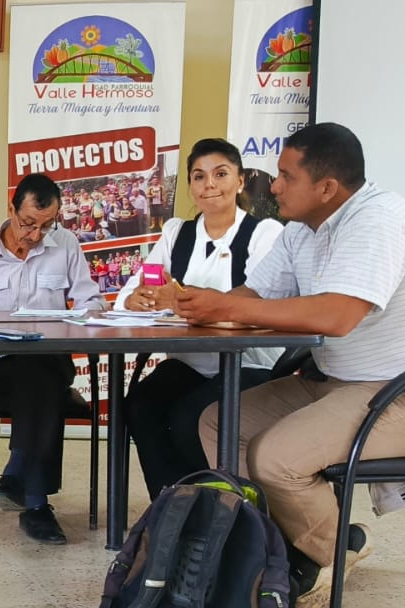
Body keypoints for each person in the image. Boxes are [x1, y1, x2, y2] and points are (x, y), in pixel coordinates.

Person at [177, 123, 405, 608]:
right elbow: (252, 298)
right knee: (220, 421)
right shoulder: (301, 230)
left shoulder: (378, 220)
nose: (273, 186)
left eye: (286, 176)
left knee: (275, 457)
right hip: (342, 382)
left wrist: (225, 307)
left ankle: (333, 550)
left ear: (326, 188)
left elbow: (337, 316)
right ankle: (270, 549)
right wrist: (186, 302)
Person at [116, 138, 285, 500]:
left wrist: (178, 299)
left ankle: (220, 506)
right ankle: (171, 506)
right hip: (191, 363)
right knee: (142, 405)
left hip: (249, 364)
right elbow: (133, 292)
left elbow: (257, 303)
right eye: (199, 176)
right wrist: (136, 298)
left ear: (240, 181)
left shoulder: (265, 233)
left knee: (189, 419)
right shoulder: (176, 233)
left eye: (220, 174)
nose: (209, 184)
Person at [0, 173, 107, 543]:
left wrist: (84, 316)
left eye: (46, 225)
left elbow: (92, 301)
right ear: (11, 209)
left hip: (49, 358)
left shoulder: (66, 245)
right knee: (39, 382)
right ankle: (35, 504)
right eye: (28, 223)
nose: (36, 235)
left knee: (40, 372)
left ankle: (17, 476)